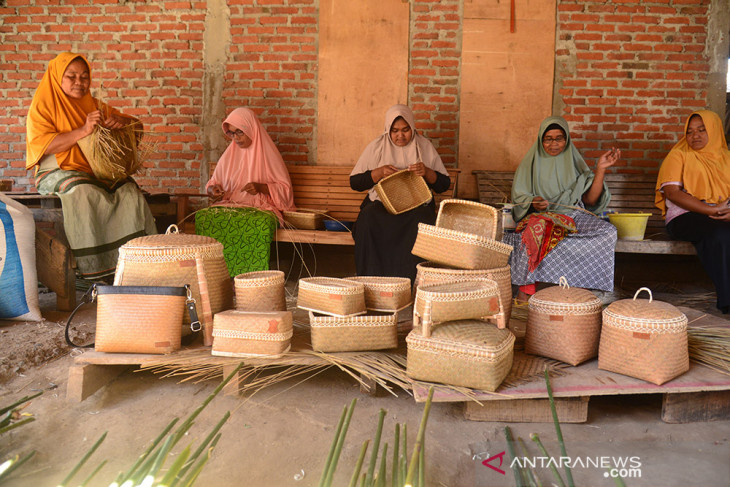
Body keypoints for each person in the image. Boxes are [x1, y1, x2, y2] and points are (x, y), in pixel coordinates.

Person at [25, 52, 156, 280]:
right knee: (83, 192)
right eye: (71, 76)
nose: (79, 82)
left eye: (84, 77)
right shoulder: (43, 105)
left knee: (128, 191)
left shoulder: (93, 105)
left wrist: (122, 122)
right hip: (56, 171)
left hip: (93, 172)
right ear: (58, 77)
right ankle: (93, 273)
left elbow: (138, 127)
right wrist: (83, 131)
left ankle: (137, 265)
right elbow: (43, 146)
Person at [504, 116, 620, 302]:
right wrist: (533, 202)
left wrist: (600, 170)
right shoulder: (530, 164)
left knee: (607, 231)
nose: (554, 144)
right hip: (540, 217)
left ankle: (583, 293)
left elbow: (590, 199)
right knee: (535, 232)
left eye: (559, 138)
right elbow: (519, 197)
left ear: (567, 140)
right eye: (548, 138)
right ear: (541, 140)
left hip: (573, 216)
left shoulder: (575, 163)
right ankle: (525, 292)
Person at [350, 104, 451, 283]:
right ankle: (371, 281)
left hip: (416, 205)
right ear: (388, 129)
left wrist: (427, 172)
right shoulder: (377, 146)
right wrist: (378, 172)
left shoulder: (424, 146)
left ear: (412, 128)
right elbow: (355, 182)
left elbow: (444, 184)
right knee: (368, 218)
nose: (400, 135)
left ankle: (413, 283)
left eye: (405, 130)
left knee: (423, 221)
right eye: (394, 130)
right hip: (383, 204)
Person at [195, 107, 296, 276]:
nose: (236, 138)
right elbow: (214, 183)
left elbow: (285, 190)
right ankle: (216, 277)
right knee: (205, 218)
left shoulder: (269, 155)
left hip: (261, 208)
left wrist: (262, 187)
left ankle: (251, 279)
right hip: (231, 205)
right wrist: (214, 190)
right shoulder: (229, 155)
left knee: (257, 223)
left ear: (251, 128)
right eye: (231, 134)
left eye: (240, 132)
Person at [655, 110, 730, 314]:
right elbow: (672, 192)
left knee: (721, 232)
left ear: (714, 130)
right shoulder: (679, 154)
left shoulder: (727, 158)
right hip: (684, 217)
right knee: (720, 235)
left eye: (701, 130)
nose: (694, 136)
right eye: (690, 131)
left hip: (722, 215)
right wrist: (711, 210)